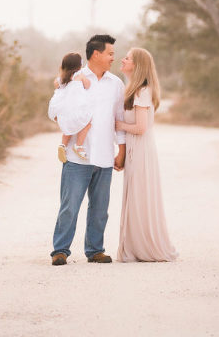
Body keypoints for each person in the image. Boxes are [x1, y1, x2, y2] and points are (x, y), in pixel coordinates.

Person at [48, 34, 126, 266]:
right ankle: (60, 250)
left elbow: (119, 119)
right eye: (110, 53)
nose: (114, 57)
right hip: (76, 157)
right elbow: (56, 109)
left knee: (100, 209)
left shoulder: (116, 84)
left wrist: (120, 151)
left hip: (104, 155)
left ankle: (95, 250)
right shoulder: (75, 79)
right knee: (69, 206)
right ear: (96, 54)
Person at [115, 47, 178, 262]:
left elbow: (141, 127)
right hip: (136, 146)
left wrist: (118, 124)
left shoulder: (142, 90)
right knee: (135, 195)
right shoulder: (130, 88)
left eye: (128, 58)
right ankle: (134, 244)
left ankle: (143, 246)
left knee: (139, 195)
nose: (122, 59)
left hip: (140, 148)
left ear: (138, 65)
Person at [48, 52, 93, 162]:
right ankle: (78, 145)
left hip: (62, 110)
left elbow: (57, 86)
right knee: (87, 123)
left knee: (68, 128)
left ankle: (63, 145)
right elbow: (88, 85)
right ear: (79, 65)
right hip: (75, 109)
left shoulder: (60, 79)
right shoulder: (80, 75)